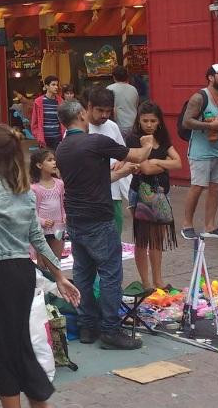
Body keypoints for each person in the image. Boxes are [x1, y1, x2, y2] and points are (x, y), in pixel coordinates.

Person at [0, 123, 80, 407]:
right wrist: (59, 274)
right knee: (20, 348)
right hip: (22, 273)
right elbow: (37, 239)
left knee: (2, 351)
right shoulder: (25, 191)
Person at [55, 99, 155, 349]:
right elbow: (138, 155)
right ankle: (110, 329)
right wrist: (148, 142)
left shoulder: (62, 148)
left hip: (76, 218)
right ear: (80, 114)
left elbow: (93, 178)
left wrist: (120, 173)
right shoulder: (95, 142)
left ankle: (88, 326)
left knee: (83, 273)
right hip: (98, 217)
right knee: (110, 273)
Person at [127, 101, 181, 291]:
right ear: (139, 121)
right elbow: (146, 169)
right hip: (141, 193)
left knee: (157, 238)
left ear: (159, 122)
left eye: (153, 121)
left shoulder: (162, 137)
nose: (149, 125)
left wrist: (156, 160)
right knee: (143, 239)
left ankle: (158, 280)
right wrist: (164, 162)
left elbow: (179, 163)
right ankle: (145, 282)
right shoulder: (134, 139)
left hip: (161, 193)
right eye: (145, 121)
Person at [180, 63, 218, 241]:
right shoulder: (200, 97)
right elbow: (187, 122)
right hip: (200, 152)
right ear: (210, 77)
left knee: (216, 188)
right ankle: (187, 224)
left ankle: (210, 225)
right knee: (197, 187)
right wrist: (210, 125)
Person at [85, 86, 133, 234]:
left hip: (113, 193)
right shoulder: (78, 127)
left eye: (108, 111)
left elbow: (123, 152)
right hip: (89, 196)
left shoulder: (112, 126)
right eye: (100, 110)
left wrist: (121, 161)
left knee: (114, 235)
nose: (105, 115)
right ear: (89, 106)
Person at [29, 148, 65, 259]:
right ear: (39, 165)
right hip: (41, 231)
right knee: (43, 263)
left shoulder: (59, 184)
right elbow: (31, 211)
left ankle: (55, 277)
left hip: (58, 228)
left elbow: (63, 203)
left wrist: (64, 215)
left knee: (56, 261)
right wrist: (42, 221)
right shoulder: (34, 188)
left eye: (54, 159)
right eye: (49, 160)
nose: (54, 162)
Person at [30, 75, 64, 150]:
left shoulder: (60, 101)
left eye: (57, 85)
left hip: (58, 138)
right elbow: (34, 122)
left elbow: (64, 120)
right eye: (53, 85)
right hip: (44, 139)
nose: (56, 87)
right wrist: (38, 136)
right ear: (46, 86)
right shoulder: (38, 102)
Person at [106, 65, 139, 135]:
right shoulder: (133, 89)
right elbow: (136, 105)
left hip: (118, 125)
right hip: (133, 124)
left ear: (114, 77)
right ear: (127, 76)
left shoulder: (109, 89)